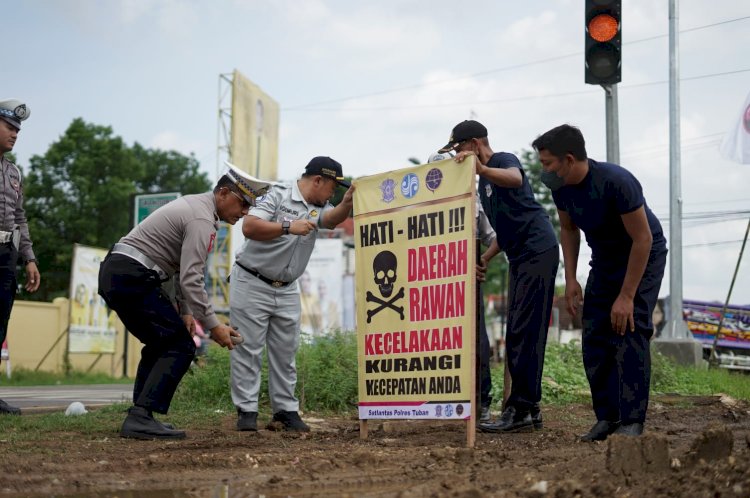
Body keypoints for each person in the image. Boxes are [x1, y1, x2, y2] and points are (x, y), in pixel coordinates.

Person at [98, 163, 266, 439]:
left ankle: (142, 415)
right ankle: (140, 417)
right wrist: (213, 326)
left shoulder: (200, 209)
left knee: (162, 342)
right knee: (179, 344)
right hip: (131, 275)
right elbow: (192, 278)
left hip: (121, 273)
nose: (245, 211)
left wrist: (186, 312)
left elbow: (178, 267)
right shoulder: (201, 219)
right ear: (223, 193)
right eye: (243, 203)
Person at [532, 124, 667, 440]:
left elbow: (643, 238)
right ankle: (608, 417)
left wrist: (627, 296)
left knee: (630, 329)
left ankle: (632, 420)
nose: (544, 170)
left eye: (547, 162)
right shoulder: (560, 187)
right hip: (605, 260)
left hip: (642, 255)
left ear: (568, 159)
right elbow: (568, 230)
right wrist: (570, 278)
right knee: (595, 334)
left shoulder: (616, 182)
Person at [438, 120, 558, 433]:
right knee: (519, 332)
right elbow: (504, 229)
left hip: (538, 249)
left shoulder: (502, 161)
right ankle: (528, 408)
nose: (457, 156)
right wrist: (486, 257)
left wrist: (481, 169)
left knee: (524, 331)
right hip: (518, 255)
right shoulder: (482, 184)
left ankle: (519, 409)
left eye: (459, 149)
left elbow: (516, 179)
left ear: (475, 144)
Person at [230, 156, 354, 432]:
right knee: (247, 348)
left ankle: (285, 410)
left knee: (286, 352)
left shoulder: (319, 205)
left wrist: (345, 204)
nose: (333, 194)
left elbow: (330, 220)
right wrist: (288, 226)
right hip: (252, 280)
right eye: (333, 187)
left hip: (286, 288)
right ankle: (247, 411)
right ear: (318, 180)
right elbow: (249, 227)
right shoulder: (276, 194)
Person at [428, 151, 499, 423]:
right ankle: (440, 400)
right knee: (434, 340)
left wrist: (481, 260)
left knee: (474, 338)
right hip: (430, 280)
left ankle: (481, 402)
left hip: (465, 278)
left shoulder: (474, 199)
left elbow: (495, 236)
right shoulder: (420, 204)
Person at [0, 99, 40, 416]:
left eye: (18, 130)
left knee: (0, 325)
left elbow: (20, 218)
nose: (15, 134)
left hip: (6, 256)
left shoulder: (14, 173)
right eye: (9, 127)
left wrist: (29, 258)